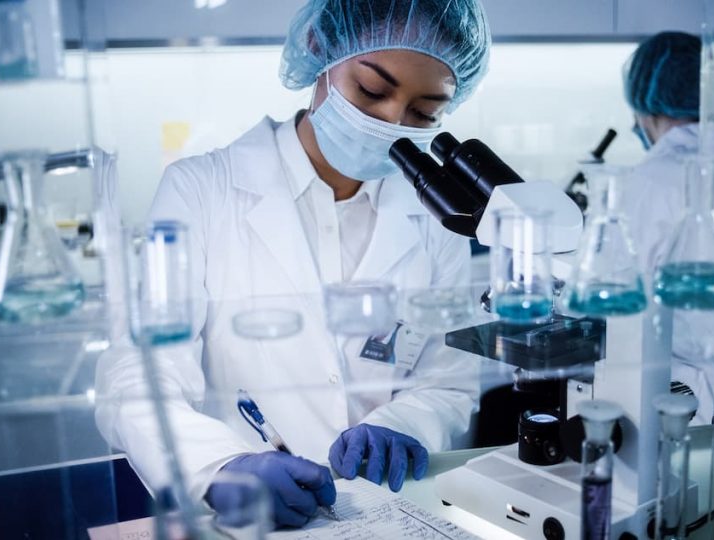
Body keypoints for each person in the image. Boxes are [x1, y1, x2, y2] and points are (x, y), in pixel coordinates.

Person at [95, 0, 491, 529]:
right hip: (247, 521)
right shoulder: (203, 189)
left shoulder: (436, 216)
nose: (392, 122)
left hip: (386, 515)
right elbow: (138, 372)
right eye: (372, 90)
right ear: (318, 50)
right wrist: (219, 467)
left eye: (424, 113)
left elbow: (449, 378)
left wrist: (405, 425)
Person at [619, 31, 714, 424]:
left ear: (644, 107)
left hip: (678, 381)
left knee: (677, 481)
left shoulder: (651, 177)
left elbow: (627, 287)